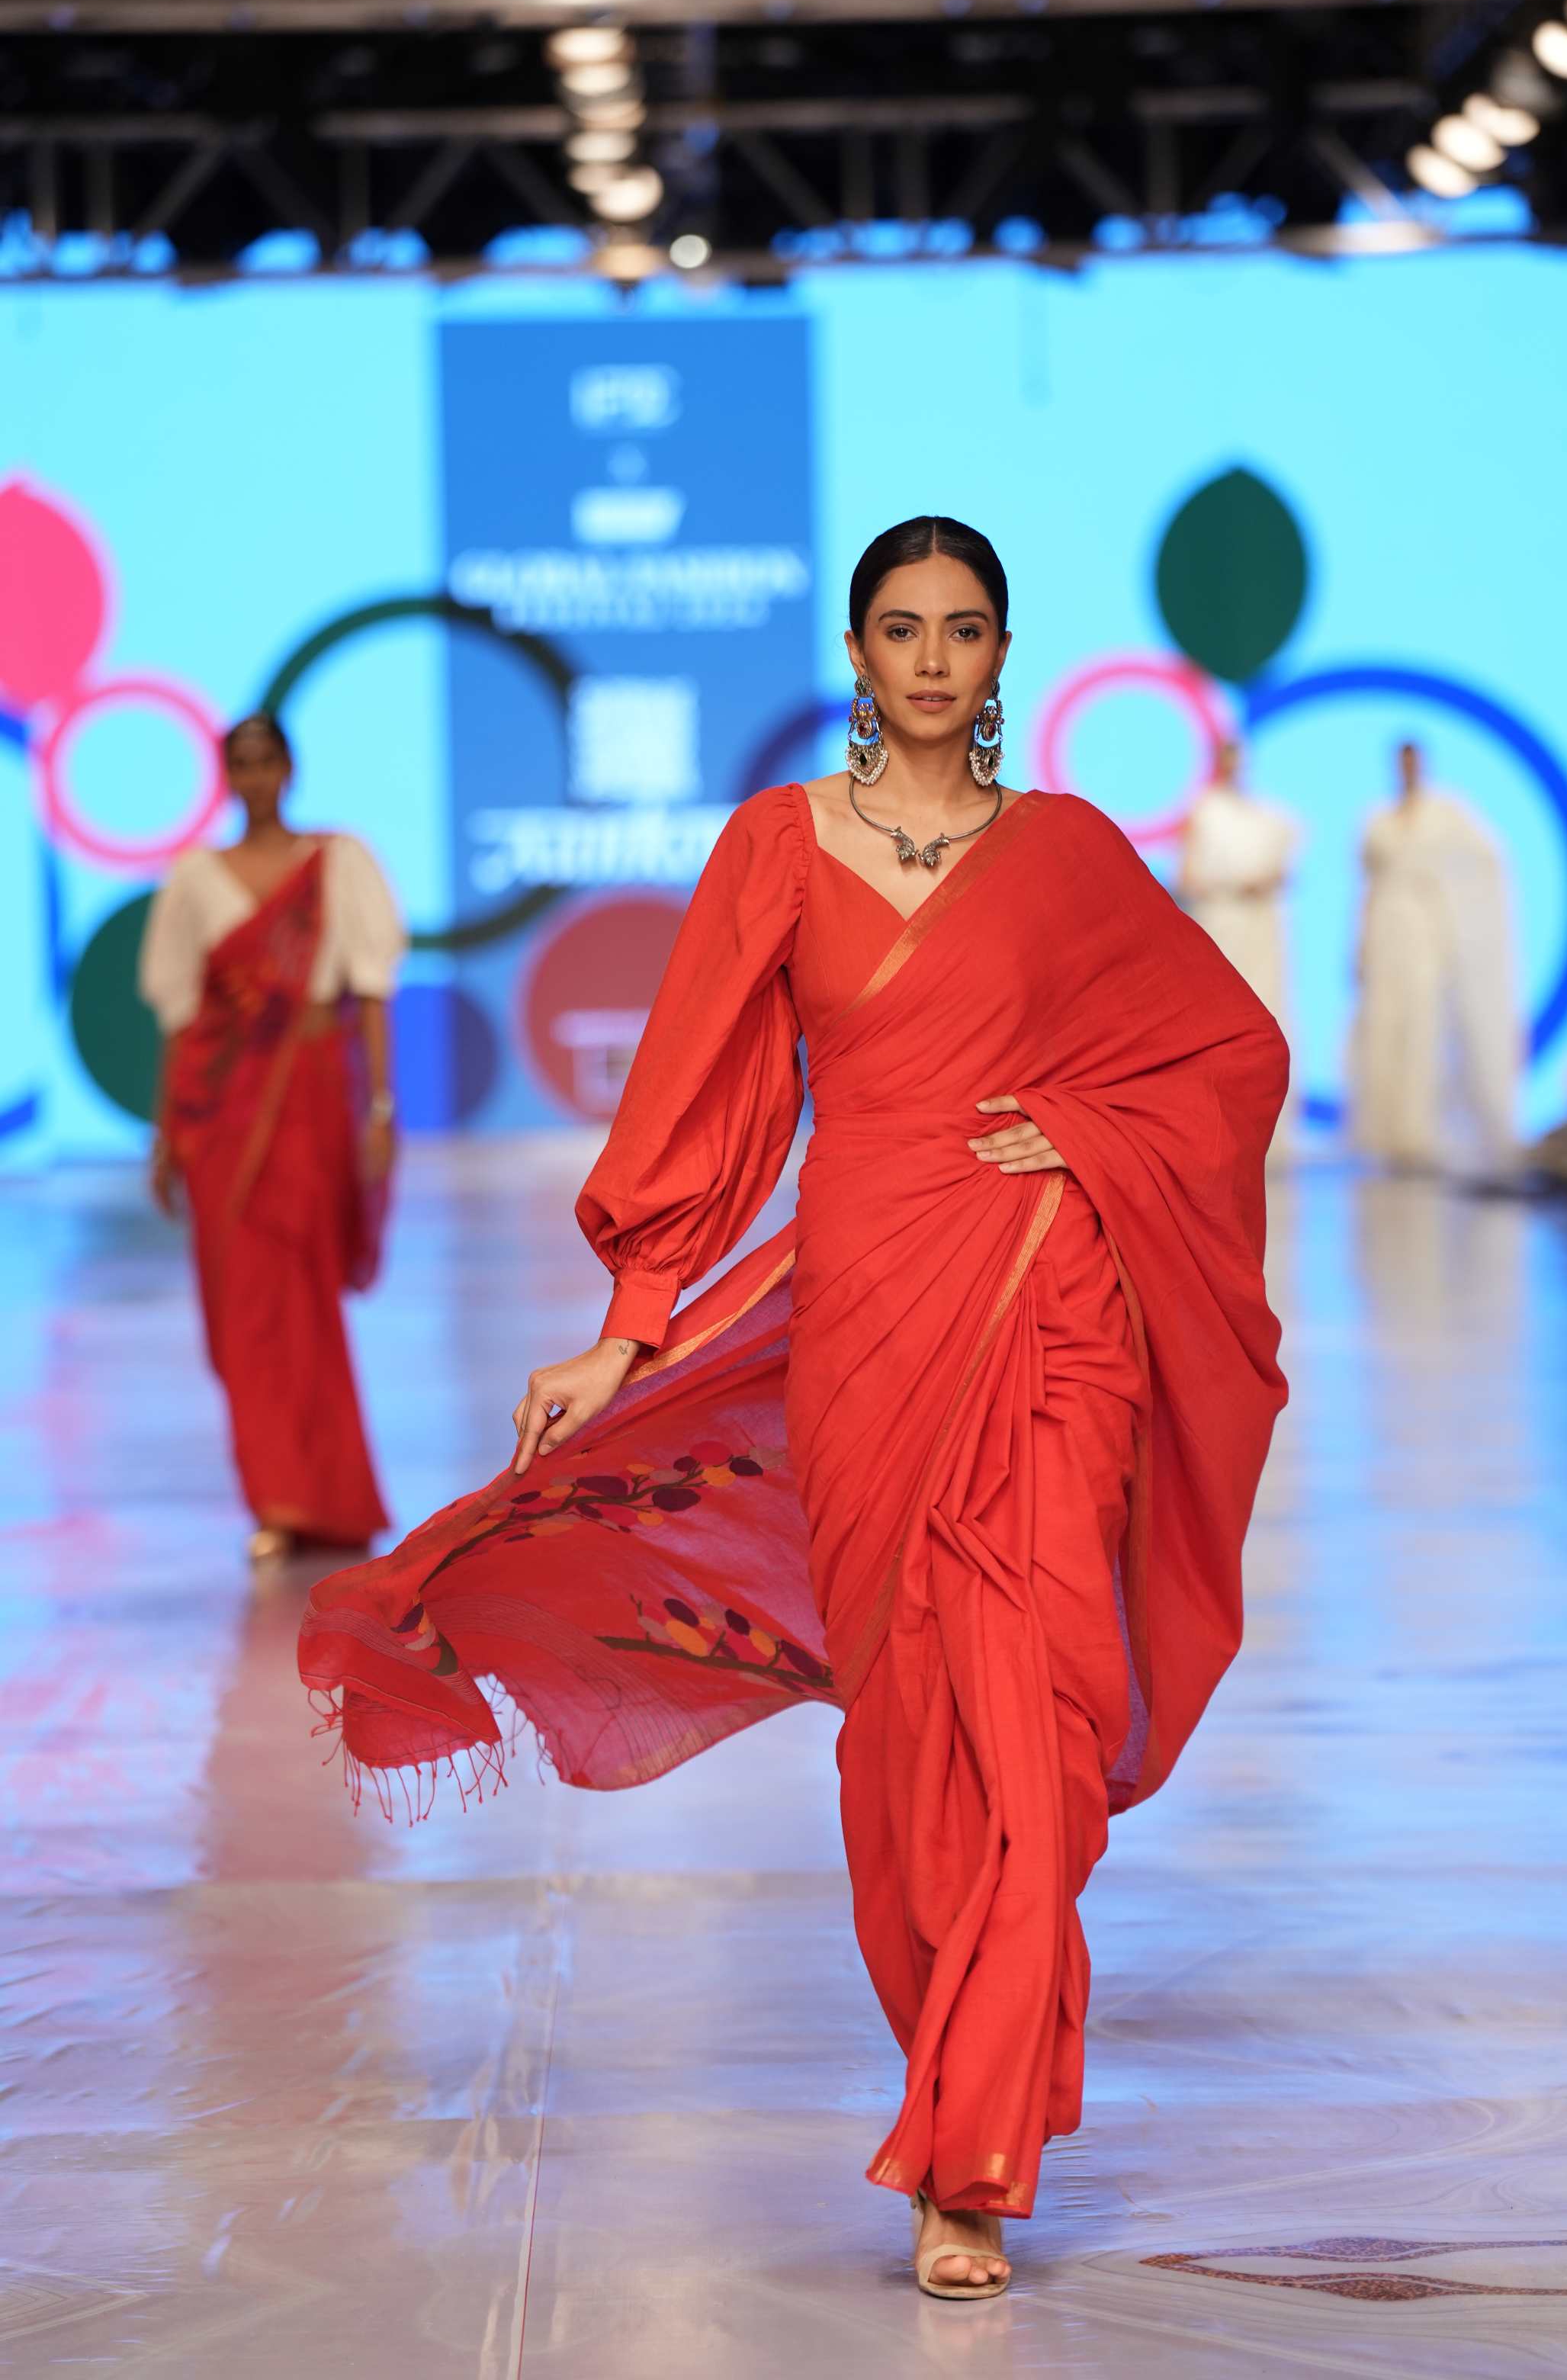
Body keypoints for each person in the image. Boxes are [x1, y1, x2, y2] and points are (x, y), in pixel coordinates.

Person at [298, 518, 1287, 2299]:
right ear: (855, 652)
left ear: (1003, 656)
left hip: (1051, 1310)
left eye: (963, 628)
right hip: (865, 1315)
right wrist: (630, 1326)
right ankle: (952, 2088)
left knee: (1036, 1724)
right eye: (901, 628)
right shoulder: (776, 845)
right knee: (905, 1733)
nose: (932, 658)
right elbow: (698, 1092)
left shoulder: (1067, 853)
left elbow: (1226, 1051)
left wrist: (1083, 1136)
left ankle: (969, 2155)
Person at [140, 711, 406, 1562]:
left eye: (267, 761)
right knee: (244, 1307)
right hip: (221, 1115)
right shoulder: (194, 878)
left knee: (306, 1294)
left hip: (312, 1096)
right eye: (241, 764)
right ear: (226, 777)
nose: (255, 777)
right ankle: (275, 1498)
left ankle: (327, 1496)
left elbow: (370, 992)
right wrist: (166, 1134)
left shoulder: (338, 863)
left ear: (290, 768)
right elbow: (183, 1016)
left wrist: (381, 1110)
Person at [1348, 738, 1519, 1172]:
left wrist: (1460, 922)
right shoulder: (1378, 820)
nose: (1408, 768)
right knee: (1384, 1025)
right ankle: (1385, 1132)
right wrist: (1360, 942)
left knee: (1424, 1026)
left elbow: (1486, 859)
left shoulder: (1446, 816)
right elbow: (1367, 888)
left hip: (1426, 929)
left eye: (1413, 761)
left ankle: (1419, 1130)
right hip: (1386, 928)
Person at [1176, 734, 1300, 1038]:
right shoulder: (1203, 810)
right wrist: (1226, 886)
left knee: (1264, 998)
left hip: (1258, 924)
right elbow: (1187, 878)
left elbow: (1285, 864)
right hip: (1221, 920)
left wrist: (1265, 881)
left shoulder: (1262, 813)